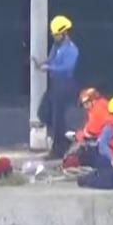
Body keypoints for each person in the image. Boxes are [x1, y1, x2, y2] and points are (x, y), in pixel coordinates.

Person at [33, 15, 79, 160]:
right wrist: (42, 64)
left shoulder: (71, 49)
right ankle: (65, 137)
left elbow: (67, 67)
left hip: (65, 84)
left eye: (57, 34)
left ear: (64, 33)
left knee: (57, 117)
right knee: (43, 112)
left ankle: (58, 149)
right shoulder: (56, 46)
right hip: (55, 84)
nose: (54, 36)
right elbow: (51, 60)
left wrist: (50, 68)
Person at [67, 87, 110, 168]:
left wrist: (79, 135)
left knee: (80, 149)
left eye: (86, 104)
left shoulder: (98, 110)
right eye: (84, 104)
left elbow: (92, 131)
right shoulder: (102, 104)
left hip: (105, 142)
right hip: (107, 139)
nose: (85, 107)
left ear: (93, 100)